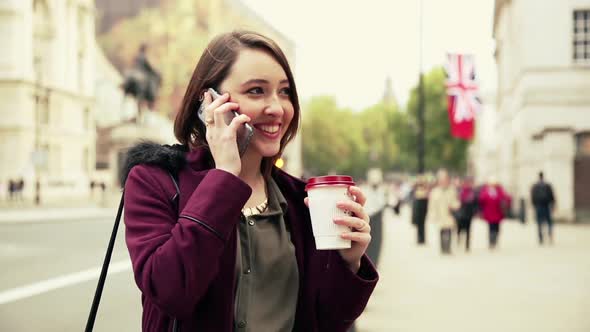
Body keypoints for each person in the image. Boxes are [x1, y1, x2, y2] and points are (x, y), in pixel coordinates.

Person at [121, 31, 378, 332]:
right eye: (256, 91)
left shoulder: (300, 200)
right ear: (209, 102)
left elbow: (328, 320)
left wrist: (349, 263)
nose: (277, 108)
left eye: (284, 92)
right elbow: (170, 292)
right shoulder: (155, 181)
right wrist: (225, 175)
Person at [428, 169, 459, 254]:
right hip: (440, 215)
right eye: (441, 179)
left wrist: (455, 206)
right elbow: (432, 205)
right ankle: (443, 248)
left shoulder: (452, 190)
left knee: (448, 231)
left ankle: (448, 248)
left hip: (449, 214)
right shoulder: (435, 191)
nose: (443, 181)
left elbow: (456, 201)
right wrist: (432, 215)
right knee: (442, 231)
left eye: (445, 179)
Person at [478, 176, 509, 250]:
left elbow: (506, 198)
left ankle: (495, 240)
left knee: (497, 228)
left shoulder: (500, 190)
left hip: (498, 212)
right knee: (490, 227)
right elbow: (481, 200)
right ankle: (491, 242)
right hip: (489, 212)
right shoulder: (485, 191)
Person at [531, 171, 555, 245]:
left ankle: (540, 238)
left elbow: (533, 197)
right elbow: (552, 196)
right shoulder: (547, 185)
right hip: (546, 206)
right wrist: (553, 205)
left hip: (539, 206)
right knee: (549, 222)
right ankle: (550, 235)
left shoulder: (535, 186)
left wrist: (534, 206)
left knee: (539, 222)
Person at [455, 177, 478, 252]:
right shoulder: (460, 191)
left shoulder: (472, 192)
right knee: (459, 228)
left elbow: (476, 202)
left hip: (469, 213)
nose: (467, 184)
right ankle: (459, 238)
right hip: (460, 213)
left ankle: (467, 245)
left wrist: (475, 211)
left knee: (468, 229)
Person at [411, 176, 429, 245]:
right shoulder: (417, 190)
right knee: (419, 225)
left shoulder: (424, 190)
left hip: (423, 208)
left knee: (422, 224)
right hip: (418, 209)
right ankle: (419, 238)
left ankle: (422, 239)